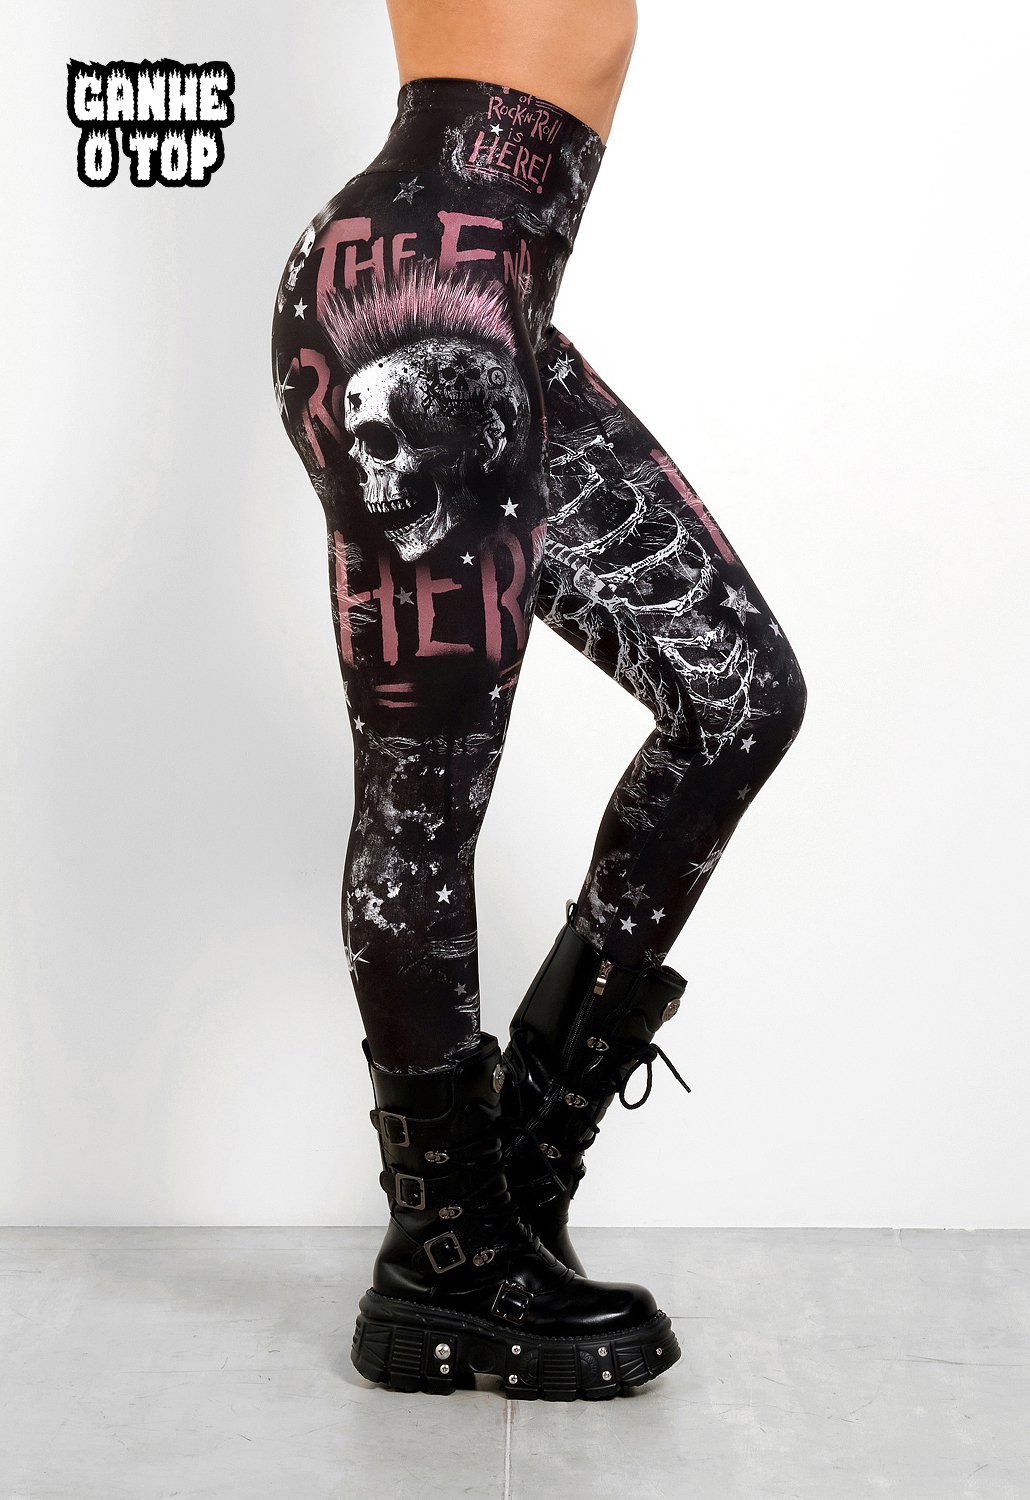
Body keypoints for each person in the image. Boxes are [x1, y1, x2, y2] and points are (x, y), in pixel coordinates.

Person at [270, 0, 807, 1401]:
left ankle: (512, 1175)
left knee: (739, 698)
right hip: (418, 292)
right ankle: (443, 1257)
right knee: (425, 799)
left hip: (491, 297)